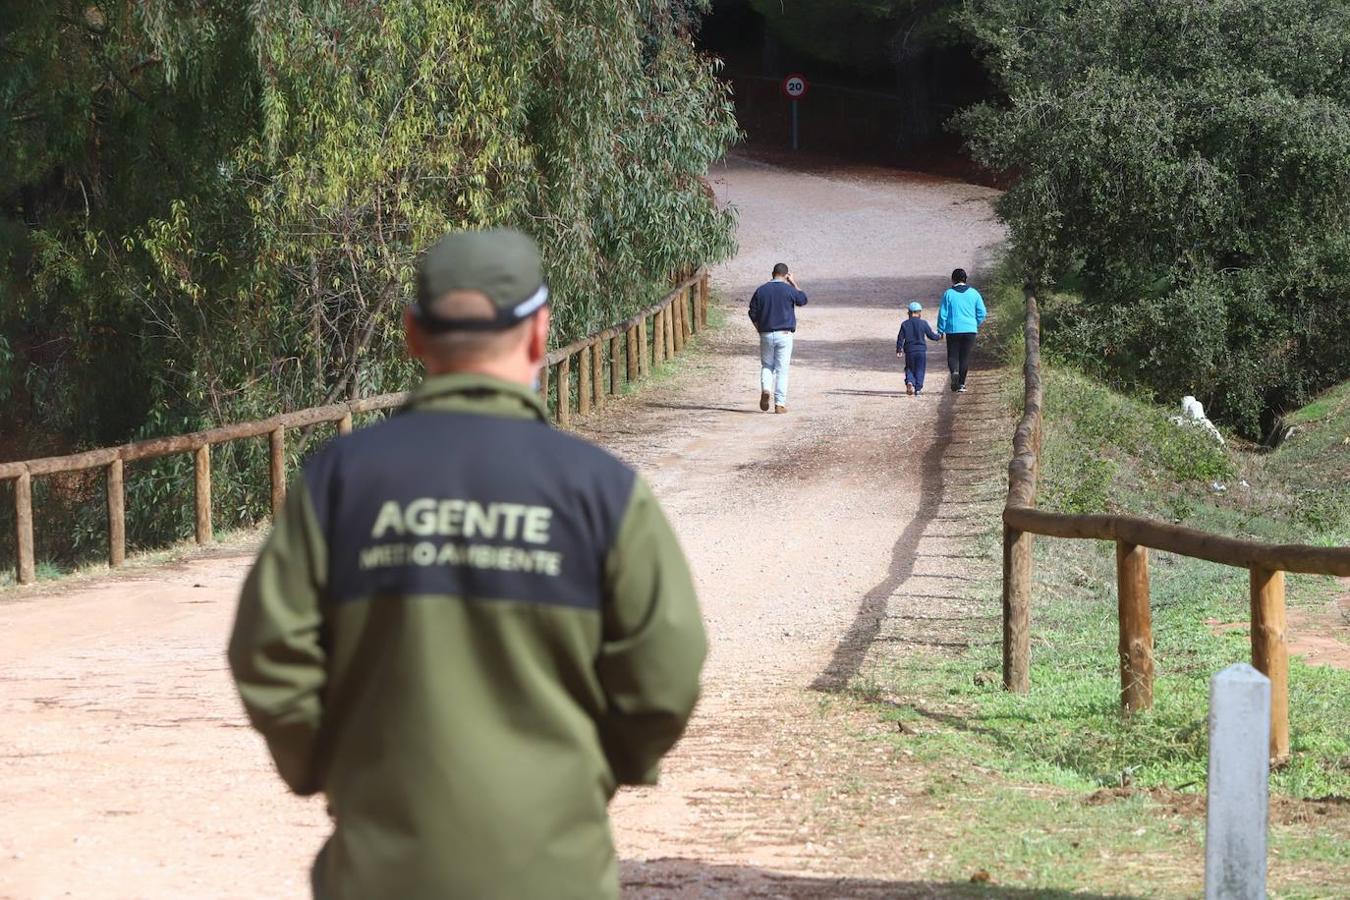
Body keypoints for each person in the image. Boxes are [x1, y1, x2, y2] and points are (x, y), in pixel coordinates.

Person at [228, 228, 707, 900]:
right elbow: (666, 670)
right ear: (539, 333)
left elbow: (268, 649)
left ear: (412, 335)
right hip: (556, 871)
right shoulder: (603, 493)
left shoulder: (339, 482)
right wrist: (595, 774)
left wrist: (330, 770)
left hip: (379, 872)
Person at [748, 262, 807, 413]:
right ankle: (779, 404)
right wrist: (793, 283)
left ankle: (766, 389)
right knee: (782, 370)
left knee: (767, 365)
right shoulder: (789, 290)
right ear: (786, 275)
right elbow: (803, 300)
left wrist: (759, 329)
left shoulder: (761, 290)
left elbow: (752, 312)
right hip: (785, 334)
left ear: (772, 273)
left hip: (766, 334)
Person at [935, 267, 987, 393]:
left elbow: (943, 314)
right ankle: (962, 384)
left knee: (953, 355)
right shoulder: (974, 293)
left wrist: (940, 329)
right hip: (970, 329)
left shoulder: (948, 294)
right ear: (965, 279)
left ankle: (954, 372)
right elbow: (982, 312)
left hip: (953, 329)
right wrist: (975, 323)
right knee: (965, 357)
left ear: (953, 280)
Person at [895, 300, 942, 396]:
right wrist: (939, 337)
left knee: (909, 368)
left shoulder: (905, 324)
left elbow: (900, 338)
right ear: (919, 312)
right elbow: (931, 335)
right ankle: (918, 389)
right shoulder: (923, 323)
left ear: (909, 312)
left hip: (909, 351)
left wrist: (899, 349)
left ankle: (910, 381)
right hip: (921, 351)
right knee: (920, 369)